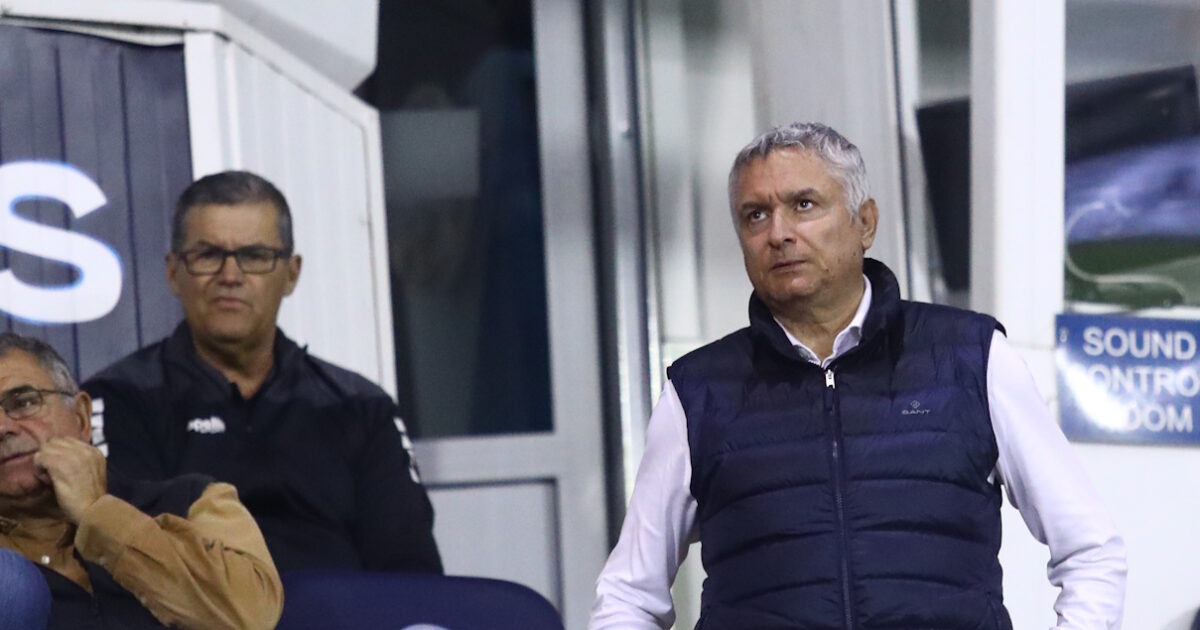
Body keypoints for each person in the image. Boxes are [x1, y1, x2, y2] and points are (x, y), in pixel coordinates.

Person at [590, 122, 1127, 629]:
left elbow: (1089, 550)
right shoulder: (699, 392)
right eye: (755, 215)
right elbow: (628, 596)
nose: (778, 233)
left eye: (803, 205)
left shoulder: (971, 357)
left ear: (865, 222)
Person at [82, 170, 443, 575]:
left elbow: (412, 573)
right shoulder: (118, 399)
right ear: (173, 272)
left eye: (254, 256)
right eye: (208, 255)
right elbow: (125, 564)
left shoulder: (362, 407)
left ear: (291, 273)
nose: (230, 276)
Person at [0, 333, 282, 629]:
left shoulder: (193, 500)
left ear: (82, 417)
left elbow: (250, 616)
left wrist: (99, 513)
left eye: (23, 402)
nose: (3, 428)